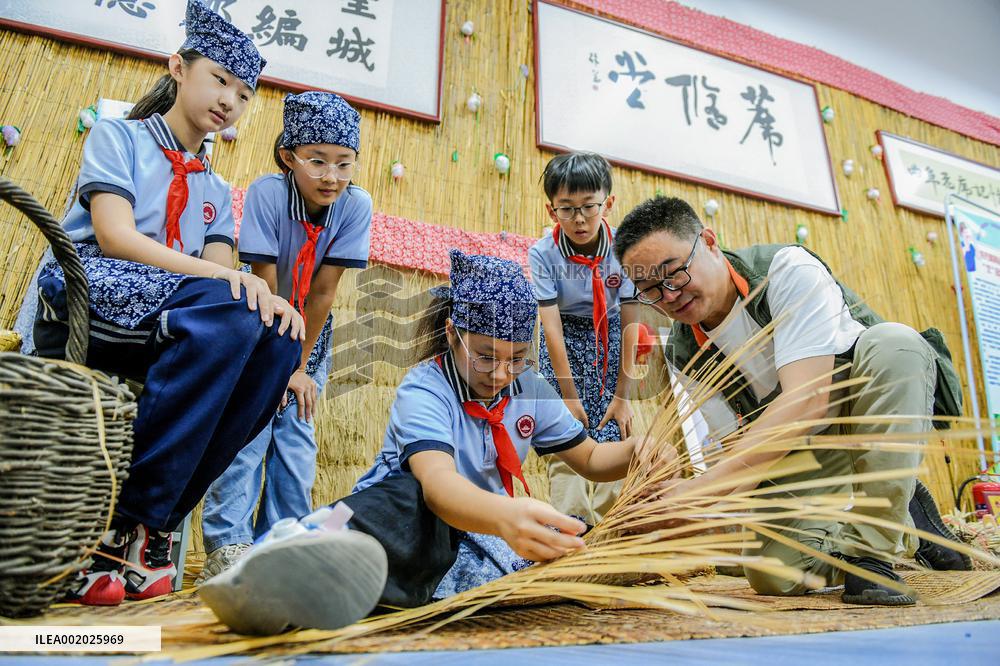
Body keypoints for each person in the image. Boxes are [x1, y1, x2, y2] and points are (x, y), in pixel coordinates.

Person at [200, 249, 669, 635]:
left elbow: (588, 456)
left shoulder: (530, 389)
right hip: (398, 522)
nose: (502, 374)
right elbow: (439, 486)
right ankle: (285, 560)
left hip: (475, 539)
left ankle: (331, 594)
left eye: (518, 358)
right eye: (485, 356)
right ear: (452, 334)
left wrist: (636, 451)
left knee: (573, 542)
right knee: (403, 501)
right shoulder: (426, 387)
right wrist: (507, 515)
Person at [33, 0, 303, 606]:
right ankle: (125, 520)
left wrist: (264, 296)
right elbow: (115, 237)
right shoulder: (119, 136)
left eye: (243, 92)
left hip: (172, 316)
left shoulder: (213, 187)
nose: (229, 99)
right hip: (90, 294)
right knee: (236, 304)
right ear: (178, 69)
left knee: (281, 337)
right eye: (219, 80)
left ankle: (147, 528)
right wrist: (237, 283)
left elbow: (223, 280)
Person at [613, 196, 970, 606]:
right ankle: (907, 523)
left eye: (673, 274)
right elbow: (735, 452)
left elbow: (807, 400)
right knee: (771, 575)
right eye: (650, 290)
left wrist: (701, 493)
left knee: (894, 344)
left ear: (709, 242)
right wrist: (683, 507)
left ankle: (872, 555)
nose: (669, 295)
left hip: (861, 413)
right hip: (799, 449)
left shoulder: (786, 270)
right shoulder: (683, 352)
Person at [198, 91, 373, 582]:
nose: (331, 176)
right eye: (317, 161)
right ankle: (227, 547)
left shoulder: (356, 205)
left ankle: (283, 544)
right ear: (288, 157)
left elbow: (323, 290)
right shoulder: (267, 194)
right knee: (248, 433)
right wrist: (276, 365)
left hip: (309, 334)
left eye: (344, 163)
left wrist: (297, 368)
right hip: (256, 322)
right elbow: (264, 279)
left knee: (296, 437)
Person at [528, 152, 640, 525]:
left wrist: (622, 397)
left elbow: (628, 325)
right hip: (564, 340)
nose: (579, 219)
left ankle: (613, 527)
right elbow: (551, 329)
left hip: (608, 339)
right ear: (551, 211)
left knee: (614, 429)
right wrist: (570, 397)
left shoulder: (625, 250)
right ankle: (572, 526)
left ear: (608, 203)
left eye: (589, 207)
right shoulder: (543, 254)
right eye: (567, 209)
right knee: (565, 433)